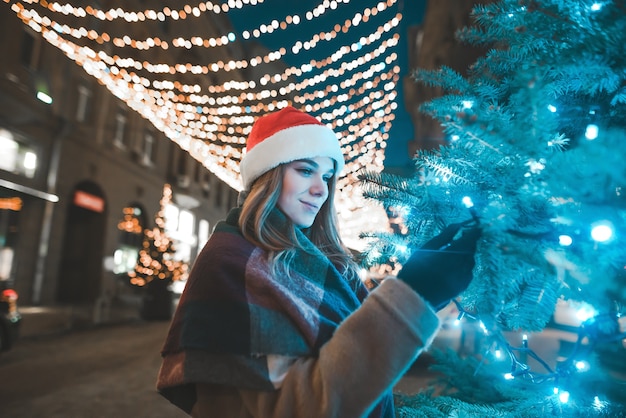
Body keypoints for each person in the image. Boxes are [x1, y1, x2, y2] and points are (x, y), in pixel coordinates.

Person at [156, 106, 481, 418]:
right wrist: (414, 296)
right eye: (305, 170)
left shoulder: (319, 264)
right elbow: (302, 408)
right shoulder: (233, 264)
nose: (320, 190)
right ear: (267, 175)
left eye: (327, 176)